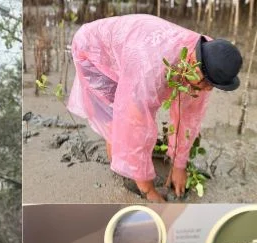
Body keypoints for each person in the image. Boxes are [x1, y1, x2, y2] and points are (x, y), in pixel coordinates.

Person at [68, 15, 242, 201]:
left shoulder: (210, 61)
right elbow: (134, 123)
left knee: (129, 114)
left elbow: (189, 117)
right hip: (93, 50)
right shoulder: (150, 70)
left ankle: (128, 164)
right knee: (116, 119)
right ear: (192, 61)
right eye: (206, 82)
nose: (207, 88)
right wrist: (148, 190)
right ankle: (123, 171)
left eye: (213, 85)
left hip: (134, 45)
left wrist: (179, 165)